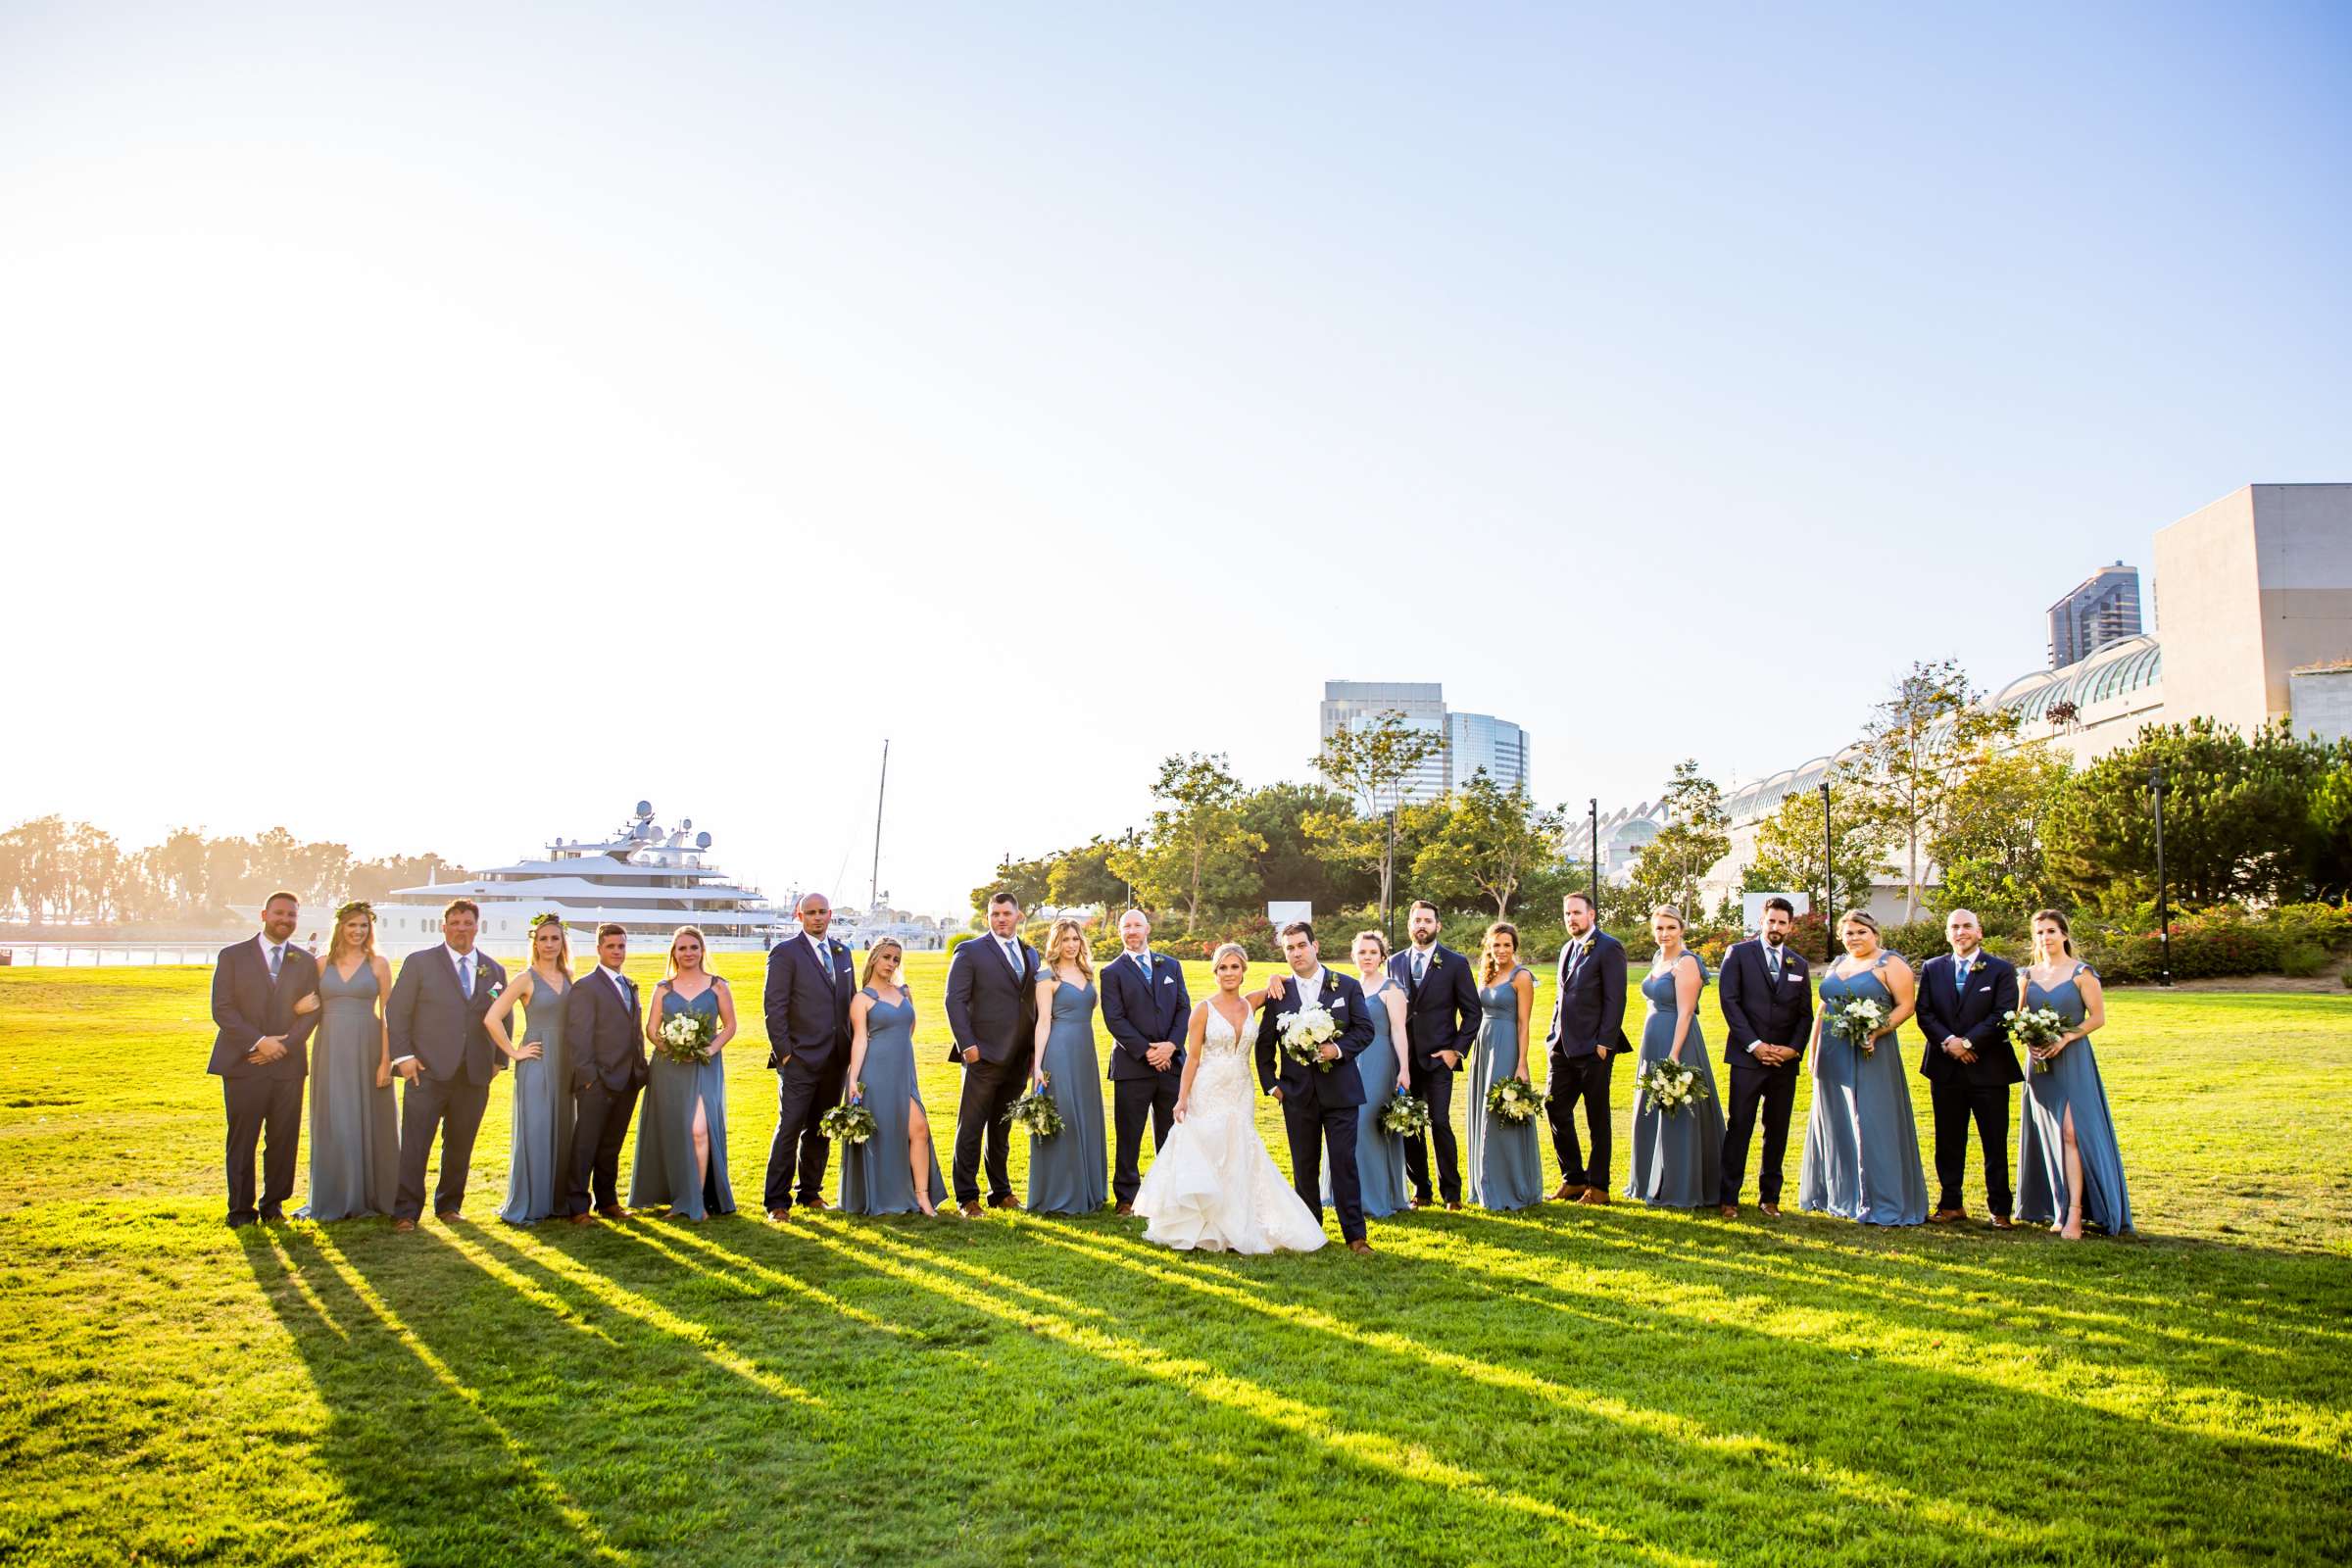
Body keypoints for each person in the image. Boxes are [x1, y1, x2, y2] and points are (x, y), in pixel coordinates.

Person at [1133, 944, 1328, 1253]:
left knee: (1240, 1151)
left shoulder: (1251, 1004)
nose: (1229, 973)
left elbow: (1282, 983)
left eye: (1235, 967)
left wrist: (1276, 975)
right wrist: (1182, 1098)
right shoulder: (1203, 1010)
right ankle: (1205, 1226)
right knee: (1210, 1152)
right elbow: (1192, 1058)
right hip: (1208, 1088)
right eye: (1223, 968)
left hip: (1240, 1088)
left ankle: (1238, 1223)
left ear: (1243, 970)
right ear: (1215, 972)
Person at [1270, 930, 1413, 1218]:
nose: (1367, 957)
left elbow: (1397, 1030)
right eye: (1362, 952)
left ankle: (1371, 1199)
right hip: (1335, 1073)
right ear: (1354, 956)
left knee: (1364, 1130)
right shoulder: (1347, 985)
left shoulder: (1382, 988)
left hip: (1374, 1062)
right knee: (1339, 1142)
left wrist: (1404, 1069)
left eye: (1373, 952)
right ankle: (1330, 1200)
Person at [1255, 921, 1379, 1254]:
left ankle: (1355, 1235)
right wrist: (1272, 1086)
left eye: (1300, 945)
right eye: (1289, 948)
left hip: (1341, 1092)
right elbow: (1264, 1045)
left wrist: (1336, 1050)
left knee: (1343, 1162)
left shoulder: (1347, 987)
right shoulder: (1278, 993)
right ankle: (1311, 1233)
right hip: (1297, 1094)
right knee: (1304, 1166)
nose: (1296, 953)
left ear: (1315, 946)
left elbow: (1365, 1030)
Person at [1797, 911, 1928, 1226]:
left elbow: (1906, 1006)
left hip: (1872, 1051)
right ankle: (1840, 1193)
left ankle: (1881, 1198)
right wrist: (1813, 1053)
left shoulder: (1891, 964)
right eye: (1848, 933)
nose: (1854, 938)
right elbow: (1823, 1008)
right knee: (1835, 1120)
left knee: (1873, 1120)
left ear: (1875, 933)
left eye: (1860, 932)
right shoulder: (1837, 964)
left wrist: (1876, 1031)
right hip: (1832, 1051)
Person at [387, 898, 509, 1232]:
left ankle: (450, 1206)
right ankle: (406, 1212)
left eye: (467, 923)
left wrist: (498, 1060)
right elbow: (397, 1013)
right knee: (415, 1144)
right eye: (454, 923)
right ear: (444, 927)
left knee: (461, 1143)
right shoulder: (419, 963)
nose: (461, 929)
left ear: (476, 926)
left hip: (474, 1074)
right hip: (425, 1070)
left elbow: (504, 1016)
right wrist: (404, 1057)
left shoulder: (494, 970)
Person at [2015, 909, 2132, 1239]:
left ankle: (2076, 1214)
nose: (2045, 938)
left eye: (2051, 931)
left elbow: (2097, 1017)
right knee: (2050, 1134)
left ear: (2065, 935)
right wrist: (2029, 1041)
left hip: (2073, 1060)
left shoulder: (2082, 973)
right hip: (2040, 1064)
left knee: (2071, 1133)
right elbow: (2018, 1018)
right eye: (2039, 932)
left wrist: (2066, 1036)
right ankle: (2059, 1206)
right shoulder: (2026, 975)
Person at [207, 891, 321, 1228]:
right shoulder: (233, 956)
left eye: (292, 915)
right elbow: (223, 1009)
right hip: (243, 1063)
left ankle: (274, 1205)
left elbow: (313, 1009)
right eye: (279, 913)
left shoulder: (304, 961)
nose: (285, 920)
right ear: (264, 914)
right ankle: (240, 1210)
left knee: (283, 1138)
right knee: (243, 1139)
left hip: (287, 1064)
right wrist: (259, 1042)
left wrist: (282, 1045)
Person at [1916, 907, 2022, 1227]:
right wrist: (1950, 1042)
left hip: (1988, 1068)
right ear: (1947, 934)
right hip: (1945, 1067)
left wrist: (1970, 1043)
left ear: (1979, 932)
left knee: (1994, 1141)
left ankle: (1999, 1209)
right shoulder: (1933, 968)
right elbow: (1925, 1013)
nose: (1960, 932)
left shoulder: (2001, 970)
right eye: (1954, 927)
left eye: (1967, 926)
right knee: (1948, 1139)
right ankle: (1950, 1205)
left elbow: (2003, 1014)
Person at [296, 900, 397, 1221]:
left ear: (370, 929)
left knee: (367, 1117)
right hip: (330, 1048)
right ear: (340, 927)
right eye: (352, 925)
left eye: (363, 926)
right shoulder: (321, 964)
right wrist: (297, 1008)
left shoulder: (379, 964)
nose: (358, 931)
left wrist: (386, 1061)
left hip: (368, 1046)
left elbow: (388, 1016)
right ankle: (334, 1195)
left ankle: (371, 1194)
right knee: (334, 1116)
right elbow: (301, 1002)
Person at [630, 925, 737, 1219]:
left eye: (693, 947)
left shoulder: (718, 986)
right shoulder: (663, 988)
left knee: (699, 1130)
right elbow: (651, 1030)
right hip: (669, 1067)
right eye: (682, 948)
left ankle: (697, 1202)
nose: (688, 953)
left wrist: (708, 1050)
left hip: (705, 1065)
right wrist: (673, 1048)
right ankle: (680, 1198)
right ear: (674, 953)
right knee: (675, 1131)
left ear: (702, 950)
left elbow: (729, 1026)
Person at [1716, 896, 1813, 1217]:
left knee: (1778, 1128)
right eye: (1771, 921)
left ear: (1790, 926)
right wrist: (1755, 1045)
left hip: (1783, 1064)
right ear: (1762, 921)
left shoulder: (1798, 964)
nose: (1776, 927)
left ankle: (1769, 1197)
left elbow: (1805, 1015)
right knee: (1740, 1125)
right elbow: (1730, 1002)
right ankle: (1729, 1197)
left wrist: (1792, 1050)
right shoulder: (1739, 954)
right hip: (1747, 1058)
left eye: (1782, 922)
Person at [760, 893, 856, 1221]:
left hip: (836, 1059)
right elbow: (774, 1007)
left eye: (822, 912)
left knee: (821, 1127)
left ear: (830, 915)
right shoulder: (785, 953)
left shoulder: (843, 953)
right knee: (789, 1127)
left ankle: (810, 1192)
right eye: (810, 912)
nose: (817, 918)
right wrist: (785, 1054)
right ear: (798, 916)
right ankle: (776, 1202)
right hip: (798, 1059)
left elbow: (849, 1004)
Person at [944, 893, 1040, 1217]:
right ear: (988, 917)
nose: (1000, 919)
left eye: (1006, 913)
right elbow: (953, 1001)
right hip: (982, 1055)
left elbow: (1032, 1003)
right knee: (971, 1127)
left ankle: (1000, 1191)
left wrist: (1033, 1053)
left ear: (1019, 916)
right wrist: (967, 1045)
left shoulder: (1031, 954)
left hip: (1019, 1058)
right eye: (995, 914)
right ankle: (966, 1196)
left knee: (1002, 1128)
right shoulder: (970, 951)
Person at [840, 939, 949, 1217]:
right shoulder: (861, 999)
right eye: (886, 957)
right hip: (874, 1074)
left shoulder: (904, 993)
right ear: (874, 958)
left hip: (903, 1073)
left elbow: (908, 1029)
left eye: (896, 959)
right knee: (882, 1135)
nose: (891, 963)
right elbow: (860, 1040)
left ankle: (923, 1197)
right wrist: (853, 1079)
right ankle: (883, 1195)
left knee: (919, 1130)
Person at [1625, 906, 1725, 1209]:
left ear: (1681, 928)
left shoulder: (1686, 963)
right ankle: (1650, 1180)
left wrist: (1674, 1053)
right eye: (1659, 928)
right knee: (1653, 1106)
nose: (1664, 934)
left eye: (1670, 927)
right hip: (1652, 1038)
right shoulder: (1659, 959)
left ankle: (1680, 1183)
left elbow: (1685, 1012)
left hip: (1676, 1041)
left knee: (1679, 1108)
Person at [1386, 900, 1480, 1211]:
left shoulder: (1455, 963)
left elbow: (1472, 1012)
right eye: (1417, 920)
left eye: (1428, 920)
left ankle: (1451, 1194)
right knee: (1410, 1124)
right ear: (1410, 925)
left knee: (1439, 1122)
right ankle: (1421, 1191)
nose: (1422, 925)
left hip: (1440, 1059)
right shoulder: (1395, 962)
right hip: (1404, 1061)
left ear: (1438, 925)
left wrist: (1456, 1051)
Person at [482, 912, 575, 1225]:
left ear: (563, 942)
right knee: (537, 1127)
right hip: (536, 1057)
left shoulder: (569, 975)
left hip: (565, 1061)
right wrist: (513, 1051)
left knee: (563, 1126)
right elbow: (492, 1017)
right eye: (543, 939)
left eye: (555, 938)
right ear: (534, 943)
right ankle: (531, 1202)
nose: (549, 944)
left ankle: (556, 1200)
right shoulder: (525, 978)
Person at [1099, 908, 1190, 1216]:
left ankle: (1169, 1191)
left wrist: (1170, 1046)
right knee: (1129, 1132)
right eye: (1126, 926)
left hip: (1171, 1064)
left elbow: (1183, 1009)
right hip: (1132, 1066)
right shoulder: (1112, 972)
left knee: (1171, 1132)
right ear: (1119, 931)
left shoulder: (1171, 965)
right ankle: (1126, 1197)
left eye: (1137, 925)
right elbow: (1114, 1018)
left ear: (1148, 928)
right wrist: (1147, 1051)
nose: (1132, 931)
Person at [1543, 891, 1630, 1204]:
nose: (1571, 919)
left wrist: (1605, 1043)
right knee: (1554, 1107)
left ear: (1591, 915)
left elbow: (1615, 998)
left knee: (1597, 1117)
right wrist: (1553, 1033)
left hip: (1594, 1048)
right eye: (1567, 914)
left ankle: (1599, 1186)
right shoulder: (1567, 948)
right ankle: (1574, 1179)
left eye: (1577, 913)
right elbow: (1562, 997)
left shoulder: (1609, 947)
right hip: (1562, 1047)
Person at [1026, 917, 1108, 1215]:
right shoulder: (1047, 976)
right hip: (1059, 1050)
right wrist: (1037, 1065)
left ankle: (1090, 1189)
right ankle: (1061, 1195)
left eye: (1075, 939)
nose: (1071, 945)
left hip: (1085, 1051)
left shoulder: (1088, 971)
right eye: (1065, 940)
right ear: (1055, 943)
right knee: (1066, 1117)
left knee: (1085, 1115)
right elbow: (1043, 1022)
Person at [563, 923, 643, 1224]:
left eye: (621, 946)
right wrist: (588, 1078)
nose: (617, 951)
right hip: (597, 1080)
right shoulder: (586, 986)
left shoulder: (629, 984)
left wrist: (640, 1070)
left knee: (612, 1144)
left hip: (628, 1079)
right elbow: (578, 1036)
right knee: (586, 1144)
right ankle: (578, 1206)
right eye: (611, 946)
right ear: (599, 949)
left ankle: (607, 1201)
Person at [1465, 922, 1544, 1211]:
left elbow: (1524, 1023)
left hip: (1507, 1045)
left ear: (1515, 947)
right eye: (1496, 945)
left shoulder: (1521, 977)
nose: (1501, 950)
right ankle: (1482, 1183)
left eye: (1507, 945)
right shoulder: (1485, 973)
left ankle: (1509, 1185)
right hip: (1484, 1047)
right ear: (1489, 945)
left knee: (1500, 1113)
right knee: (1482, 1109)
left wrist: (1521, 1063)